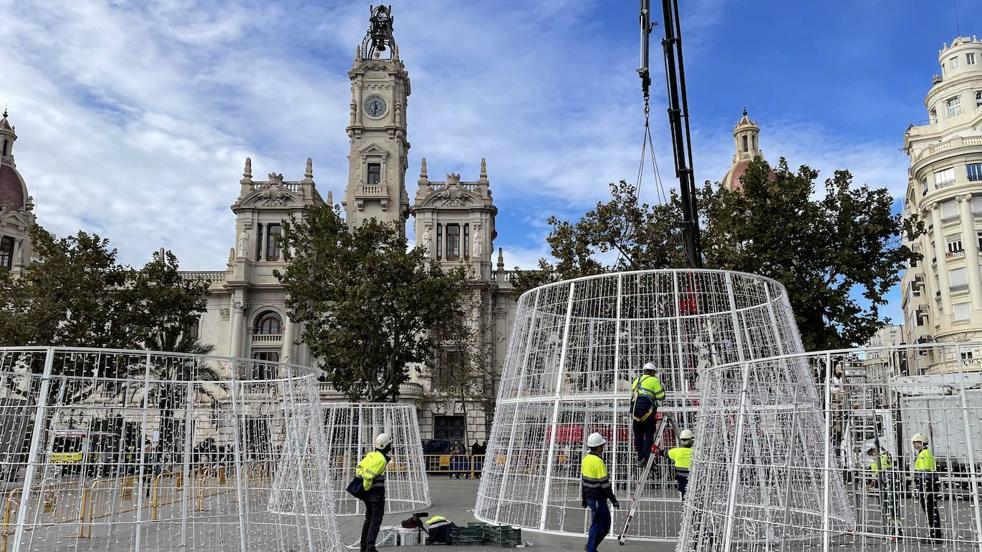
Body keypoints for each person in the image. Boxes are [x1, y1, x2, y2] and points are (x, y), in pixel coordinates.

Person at [581, 432, 619, 552]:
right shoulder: (598, 462)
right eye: (602, 445)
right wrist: (613, 500)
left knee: (600, 524)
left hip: (591, 497)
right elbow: (605, 485)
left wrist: (584, 498)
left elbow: (583, 480)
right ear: (597, 447)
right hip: (597, 498)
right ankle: (591, 548)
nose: (603, 448)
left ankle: (591, 546)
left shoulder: (586, 459)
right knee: (600, 525)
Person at [356, 433, 392, 552]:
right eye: (389, 444)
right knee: (375, 521)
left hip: (367, 495)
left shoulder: (371, 455)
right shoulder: (381, 459)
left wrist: (364, 490)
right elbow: (369, 476)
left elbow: (359, 468)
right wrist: (366, 486)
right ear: (385, 445)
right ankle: (370, 547)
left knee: (368, 519)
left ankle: (363, 547)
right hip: (376, 494)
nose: (391, 446)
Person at [631, 362, 666, 467]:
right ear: (652, 372)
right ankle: (646, 457)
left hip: (635, 413)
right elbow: (661, 396)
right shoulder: (654, 380)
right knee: (649, 434)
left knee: (638, 435)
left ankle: (640, 456)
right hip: (648, 413)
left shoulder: (637, 380)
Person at [864, 441, 901, 533]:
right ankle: (892, 528)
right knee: (888, 507)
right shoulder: (881, 457)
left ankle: (894, 529)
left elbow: (879, 472)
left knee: (890, 507)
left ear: (873, 450)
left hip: (888, 485)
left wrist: (870, 485)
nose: (870, 455)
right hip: (886, 485)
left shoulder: (882, 457)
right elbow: (876, 474)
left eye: (870, 453)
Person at [911, 433, 942, 541]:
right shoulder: (924, 453)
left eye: (915, 443)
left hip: (927, 487)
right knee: (931, 510)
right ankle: (935, 533)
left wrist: (922, 486)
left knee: (930, 510)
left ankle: (935, 535)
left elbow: (925, 473)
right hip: (929, 486)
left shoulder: (924, 454)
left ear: (921, 443)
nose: (914, 445)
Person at [659, 429, 694, 498]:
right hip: (693, 479)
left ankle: (685, 507)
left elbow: (664, 453)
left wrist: (657, 450)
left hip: (682, 480)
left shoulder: (676, 452)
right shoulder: (695, 452)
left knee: (685, 496)